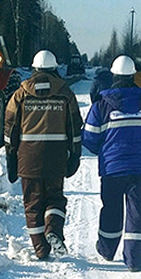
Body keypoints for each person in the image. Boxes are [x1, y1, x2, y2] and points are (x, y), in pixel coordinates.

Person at [82, 55, 141, 271]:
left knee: (111, 208)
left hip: (112, 168)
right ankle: (134, 260)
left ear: (114, 76)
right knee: (136, 211)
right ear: (133, 76)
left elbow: (90, 136)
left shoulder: (102, 104)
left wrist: (103, 151)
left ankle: (106, 249)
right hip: (140, 167)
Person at [5, 49, 84, 260]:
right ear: (55, 68)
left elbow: (10, 128)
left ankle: (40, 249)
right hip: (56, 158)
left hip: (27, 158)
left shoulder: (20, 94)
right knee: (55, 199)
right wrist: (75, 154)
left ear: (34, 68)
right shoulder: (65, 93)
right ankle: (53, 230)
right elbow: (75, 127)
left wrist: (10, 157)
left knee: (32, 204)